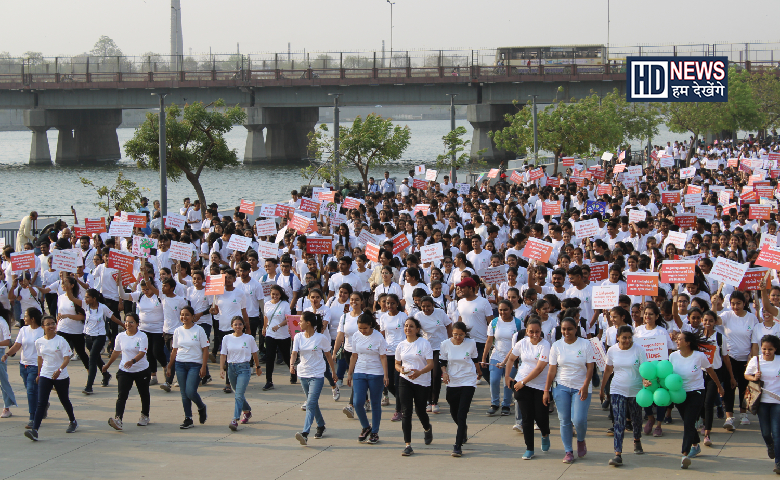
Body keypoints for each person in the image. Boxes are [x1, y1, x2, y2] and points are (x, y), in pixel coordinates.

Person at [665, 331, 723, 469]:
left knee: (689, 422)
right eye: (677, 339)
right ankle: (696, 445)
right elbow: (668, 375)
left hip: (696, 392)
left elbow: (711, 371)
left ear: (688, 342)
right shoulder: (673, 356)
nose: (677, 341)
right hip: (678, 393)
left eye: (680, 339)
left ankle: (684, 454)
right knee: (688, 422)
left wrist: (719, 386)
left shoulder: (699, 356)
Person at [544, 316, 595, 464]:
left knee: (578, 420)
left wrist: (585, 385)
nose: (566, 332)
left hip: (581, 387)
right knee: (564, 420)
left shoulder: (585, 344)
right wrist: (546, 390)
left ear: (576, 329)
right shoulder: (556, 346)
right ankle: (568, 451)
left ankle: (580, 440)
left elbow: (590, 367)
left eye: (570, 329)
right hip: (561, 386)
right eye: (564, 329)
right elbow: (552, 371)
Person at [62, 283, 122, 394]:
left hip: (99, 337)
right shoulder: (85, 305)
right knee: (96, 358)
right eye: (85, 297)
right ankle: (106, 374)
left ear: (94, 298)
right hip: (88, 337)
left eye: (87, 297)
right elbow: (71, 298)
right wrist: (68, 286)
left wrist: (124, 326)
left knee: (92, 360)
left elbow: (114, 318)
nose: (85, 299)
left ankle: (89, 386)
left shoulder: (103, 307)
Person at [25, 315, 78, 441]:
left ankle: (73, 421)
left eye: (53, 323)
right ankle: (35, 430)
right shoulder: (39, 342)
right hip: (45, 374)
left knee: (64, 400)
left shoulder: (61, 340)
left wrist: (59, 370)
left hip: (61, 375)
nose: (51, 326)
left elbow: (67, 358)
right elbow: (40, 359)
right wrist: (39, 375)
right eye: (48, 324)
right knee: (41, 403)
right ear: (43, 327)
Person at [505, 317, 551, 459]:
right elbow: (511, 359)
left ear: (541, 331)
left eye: (537, 331)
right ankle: (529, 448)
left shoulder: (545, 345)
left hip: (539, 386)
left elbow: (539, 368)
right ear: (526, 331)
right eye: (531, 332)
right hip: (522, 384)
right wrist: (507, 376)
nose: (535, 335)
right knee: (527, 418)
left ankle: (544, 434)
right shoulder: (522, 343)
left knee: (540, 416)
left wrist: (523, 382)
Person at [600, 325, 646, 466]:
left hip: (636, 390)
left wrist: (646, 381)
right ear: (618, 337)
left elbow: (645, 369)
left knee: (636, 418)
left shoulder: (639, 350)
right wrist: (602, 389)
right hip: (617, 389)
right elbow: (608, 370)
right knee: (619, 421)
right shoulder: (612, 350)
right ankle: (617, 453)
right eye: (624, 338)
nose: (627, 340)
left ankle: (637, 439)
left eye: (629, 337)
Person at [292, 311, 337, 445]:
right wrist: (291, 365)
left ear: (308, 323)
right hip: (303, 374)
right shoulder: (298, 337)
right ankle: (321, 424)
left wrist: (333, 373)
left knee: (310, 404)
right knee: (312, 402)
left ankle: (305, 433)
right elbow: (294, 352)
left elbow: (328, 356)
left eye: (301, 321)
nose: (299, 323)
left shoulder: (320, 338)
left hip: (317, 375)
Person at [718, 291, 759, 431]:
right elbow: (713, 320)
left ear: (744, 303)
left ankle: (743, 414)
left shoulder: (751, 318)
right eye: (733, 303)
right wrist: (713, 304)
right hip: (729, 359)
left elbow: (754, 341)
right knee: (729, 387)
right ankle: (729, 417)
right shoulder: (727, 315)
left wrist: (752, 359)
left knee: (744, 387)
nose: (735, 306)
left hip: (746, 359)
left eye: (738, 303)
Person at [102, 313, 151, 430]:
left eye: (131, 322)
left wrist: (132, 361)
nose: (128, 324)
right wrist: (108, 365)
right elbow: (116, 352)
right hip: (125, 370)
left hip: (141, 370)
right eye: (126, 322)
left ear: (137, 324)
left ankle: (145, 415)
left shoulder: (142, 336)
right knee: (122, 395)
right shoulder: (120, 336)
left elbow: (142, 353)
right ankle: (118, 419)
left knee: (143, 393)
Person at [347, 311, 389, 445]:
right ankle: (366, 426)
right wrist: (350, 373)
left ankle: (375, 432)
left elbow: (383, 357)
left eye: (365, 328)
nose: (362, 331)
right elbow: (354, 355)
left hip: (376, 373)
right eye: (360, 328)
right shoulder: (356, 336)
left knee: (375, 403)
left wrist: (386, 375)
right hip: (359, 372)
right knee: (358, 402)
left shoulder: (378, 337)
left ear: (371, 325)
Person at [440, 321, 481, 457]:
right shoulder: (445, 344)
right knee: (453, 409)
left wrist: (479, 372)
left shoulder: (471, 343)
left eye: (461, 335)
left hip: (468, 379)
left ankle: (457, 445)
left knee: (462, 412)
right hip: (453, 380)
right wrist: (444, 373)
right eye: (455, 334)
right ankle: (463, 427)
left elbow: (475, 359)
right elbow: (442, 361)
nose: (458, 337)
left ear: (465, 334)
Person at [395, 317, 435, 456]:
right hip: (405, 380)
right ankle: (408, 445)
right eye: (406, 326)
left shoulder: (424, 344)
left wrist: (419, 373)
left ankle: (427, 428)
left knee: (420, 410)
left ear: (417, 329)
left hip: (422, 381)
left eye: (411, 326)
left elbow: (430, 364)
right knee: (406, 412)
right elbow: (397, 363)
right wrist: (401, 370)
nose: (408, 328)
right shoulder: (401, 345)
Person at [167, 306, 209, 429]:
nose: (184, 317)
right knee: (184, 393)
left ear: (192, 316)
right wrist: (170, 366)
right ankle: (188, 418)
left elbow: (205, 349)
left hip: (195, 364)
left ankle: (201, 406)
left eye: (187, 315)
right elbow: (174, 350)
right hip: (180, 364)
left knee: (190, 391)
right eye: (182, 315)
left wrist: (203, 367)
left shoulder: (199, 330)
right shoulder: (178, 331)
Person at [219, 316, 261, 431]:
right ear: (232, 326)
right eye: (235, 324)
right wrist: (222, 368)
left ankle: (235, 419)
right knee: (238, 393)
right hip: (231, 368)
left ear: (243, 326)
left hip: (244, 368)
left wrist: (257, 367)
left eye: (240, 324)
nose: (238, 326)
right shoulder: (226, 338)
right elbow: (223, 354)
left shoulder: (249, 338)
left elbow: (255, 353)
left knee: (238, 394)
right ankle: (247, 411)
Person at [745, 334, 780, 474]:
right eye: (764, 349)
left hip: (777, 401)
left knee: (777, 432)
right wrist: (754, 377)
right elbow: (746, 375)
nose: (766, 352)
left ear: (775, 349)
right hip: (762, 401)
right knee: (766, 432)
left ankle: (778, 462)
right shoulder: (756, 360)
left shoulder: (779, 360)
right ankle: (770, 445)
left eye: (770, 349)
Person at [413, 296, 452, 414]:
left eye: (428, 306)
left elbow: (449, 325)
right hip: (426, 348)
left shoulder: (440, 313)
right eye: (423, 306)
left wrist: (450, 341)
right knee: (427, 376)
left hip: (440, 347)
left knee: (435, 375)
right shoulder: (418, 316)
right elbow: (416, 331)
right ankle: (428, 401)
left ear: (433, 305)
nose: (426, 308)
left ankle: (434, 401)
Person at [483, 300, 519, 416]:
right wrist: (484, 357)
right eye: (500, 310)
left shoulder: (517, 323)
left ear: (511, 310)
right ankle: (494, 404)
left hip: (512, 357)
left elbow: (518, 343)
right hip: (496, 355)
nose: (503, 312)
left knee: (508, 382)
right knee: (494, 380)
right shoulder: (494, 322)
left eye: (505, 310)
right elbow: (489, 341)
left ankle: (506, 405)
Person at [261, 284, 292, 391]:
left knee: (286, 357)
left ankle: (293, 372)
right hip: (270, 334)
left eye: (277, 294)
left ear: (280, 295)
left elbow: (288, 319)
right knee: (269, 357)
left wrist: (278, 325)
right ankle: (268, 381)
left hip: (283, 335)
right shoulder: (267, 304)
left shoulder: (285, 304)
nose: (275, 296)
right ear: (270, 294)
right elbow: (266, 317)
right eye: (273, 294)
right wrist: (264, 328)